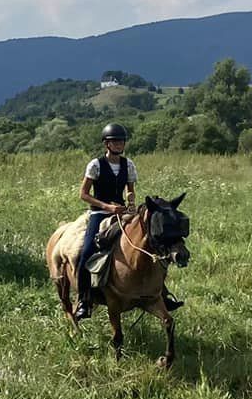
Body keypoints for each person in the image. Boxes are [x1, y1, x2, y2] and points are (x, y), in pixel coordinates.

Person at [74, 123, 181, 317]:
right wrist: (107, 207)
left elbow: (130, 189)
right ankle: (84, 299)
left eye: (120, 141)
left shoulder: (128, 164)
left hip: (123, 212)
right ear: (107, 144)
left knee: (151, 244)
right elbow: (83, 194)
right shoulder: (95, 165)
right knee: (86, 252)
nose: (118, 145)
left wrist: (131, 199)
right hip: (99, 214)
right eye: (114, 141)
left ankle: (160, 293)